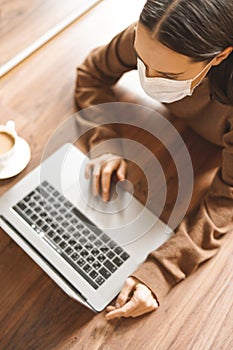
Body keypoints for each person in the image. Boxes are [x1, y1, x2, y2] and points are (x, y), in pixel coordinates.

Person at [75, 0, 233, 319]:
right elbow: (92, 72)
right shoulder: (149, 37)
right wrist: (104, 142)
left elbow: (226, 198)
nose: (147, 76)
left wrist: (161, 270)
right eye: (141, 60)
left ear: (219, 56)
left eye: (167, 74)